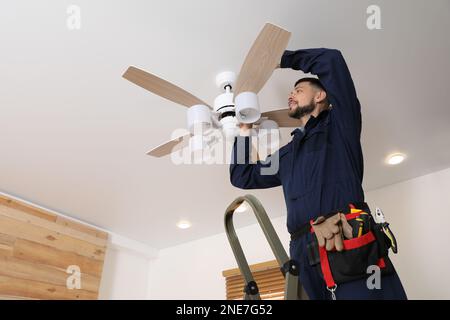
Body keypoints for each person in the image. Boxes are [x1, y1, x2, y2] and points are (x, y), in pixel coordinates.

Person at [229, 48, 407, 300]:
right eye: (291, 91)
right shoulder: (287, 155)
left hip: (344, 234)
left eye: (298, 90)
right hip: (302, 251)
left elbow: (331, 60)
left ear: (321, 95)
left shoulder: (340, 126)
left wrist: (278, 59)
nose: (291, 94)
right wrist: (244, 132)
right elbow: (242, 176)